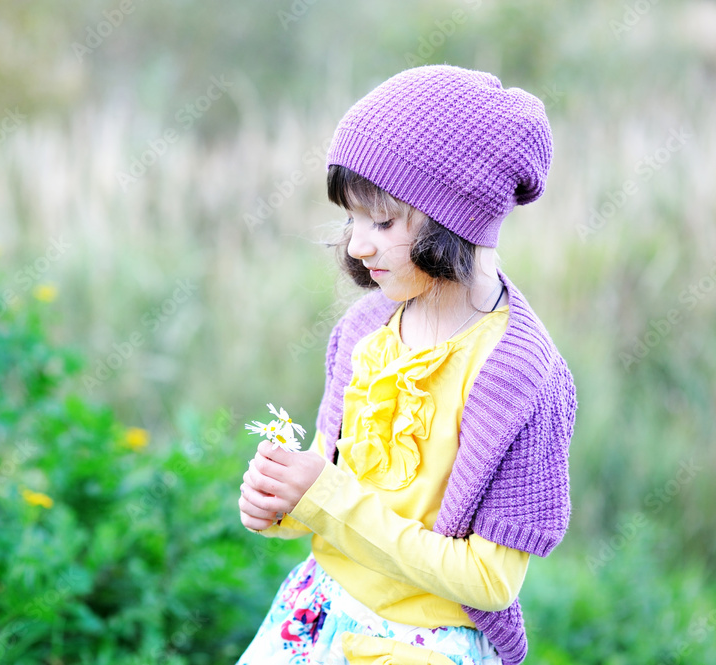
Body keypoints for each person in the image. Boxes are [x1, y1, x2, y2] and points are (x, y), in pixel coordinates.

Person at [236, 64, 577, 665]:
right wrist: (284, 501)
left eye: (382, 221)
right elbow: (330, 477)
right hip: (320, 610)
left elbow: (491, 583)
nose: (357, 244)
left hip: (422, 643)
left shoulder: (519, 375)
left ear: (456, 216)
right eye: (351, 218)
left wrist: (324, 498)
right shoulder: (365, 330)